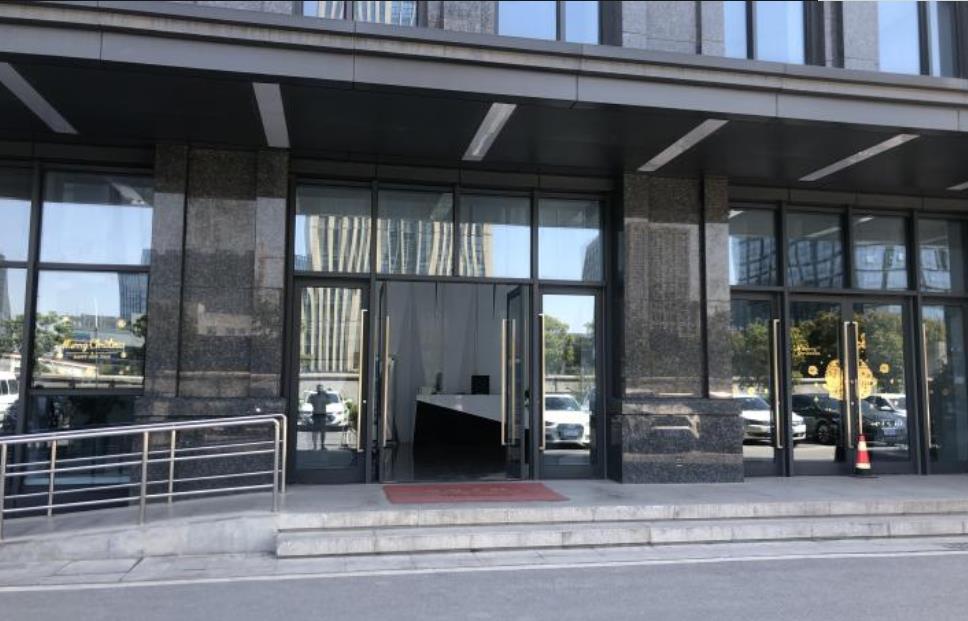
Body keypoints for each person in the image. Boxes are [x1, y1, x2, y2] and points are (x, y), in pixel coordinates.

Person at [308, 385, 329, 450]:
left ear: (322, 389)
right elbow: (309, 401)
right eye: (319, 389)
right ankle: (315, 446)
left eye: (321, 389)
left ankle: (322, 445)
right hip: (316, 415)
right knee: (315, 431)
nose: (320, 390)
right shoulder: (313, 396)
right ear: (317, 389)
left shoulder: (325, 396)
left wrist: (326, 394)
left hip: (322, 415)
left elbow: (328, 402)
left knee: (323, 431)